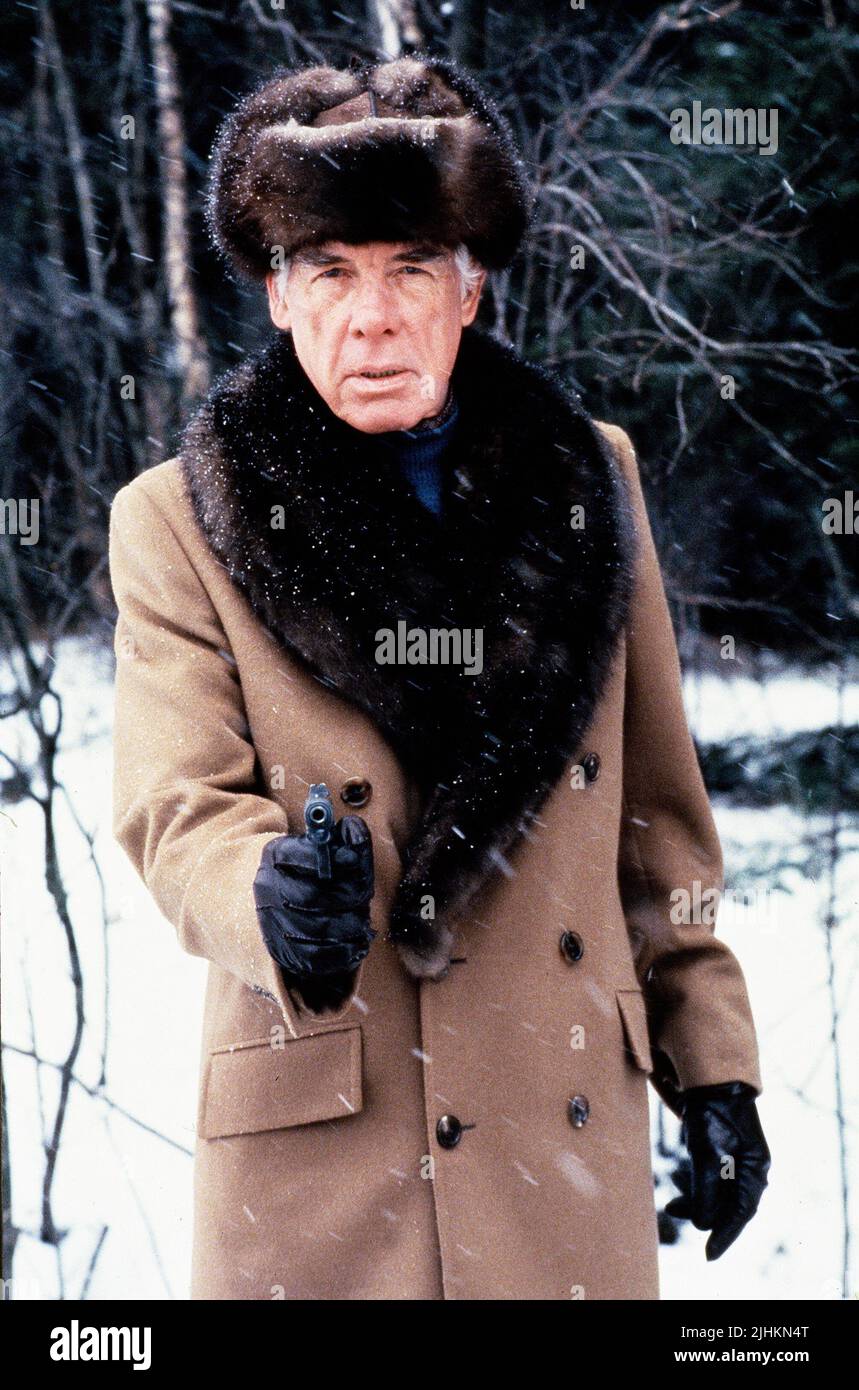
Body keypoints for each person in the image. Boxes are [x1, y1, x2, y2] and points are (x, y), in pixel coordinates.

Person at [109, 54, 770, 1300]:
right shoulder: (178, 519)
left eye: (411, 270)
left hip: (556, 1124)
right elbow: (173, 805)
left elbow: (656, 823)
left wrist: (713, 1059)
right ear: (273, 293)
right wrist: (268, 892)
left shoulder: (595, 479)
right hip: (324, 1162)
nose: (372, 316)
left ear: (470, 291)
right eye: (332, 274)